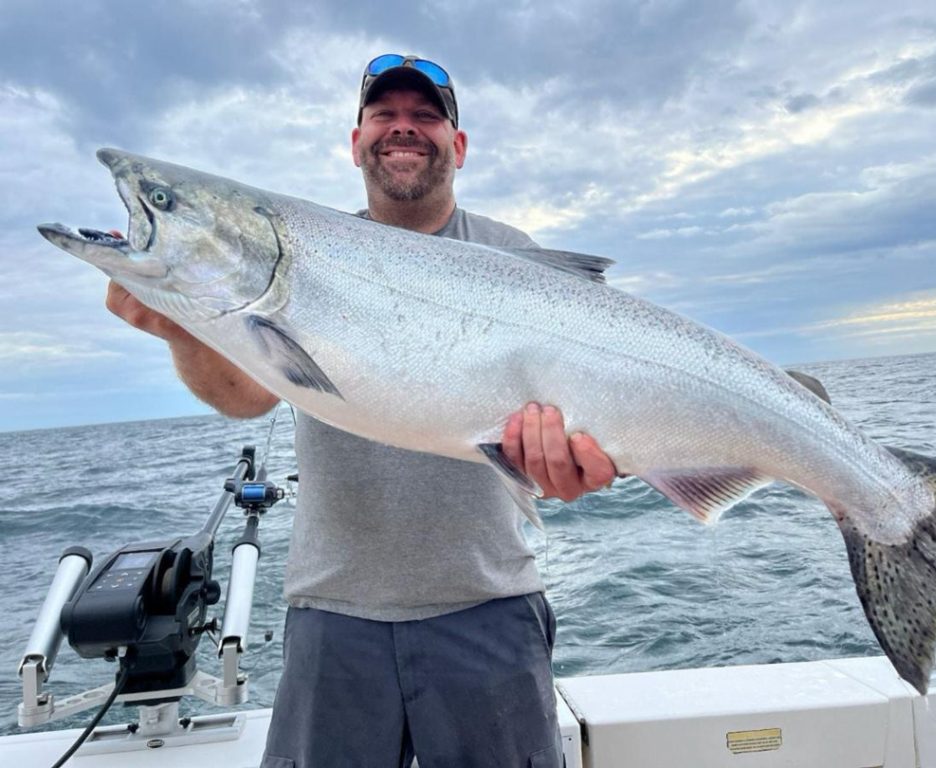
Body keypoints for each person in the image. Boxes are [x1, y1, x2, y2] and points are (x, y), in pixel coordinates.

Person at [106, 53, 616, 767]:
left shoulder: (512, 256)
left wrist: (580, 467)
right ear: (356, 142)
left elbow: (589, 416)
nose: (403, 129)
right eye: (384, 115)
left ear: (458, 146)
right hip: (333, 612)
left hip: (489, 605)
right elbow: (246, 397)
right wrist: (180, 325)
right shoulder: (299, 255)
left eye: (425, 117)